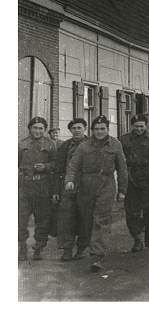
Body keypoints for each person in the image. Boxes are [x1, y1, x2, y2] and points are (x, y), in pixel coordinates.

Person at [65, 115, 128, 272]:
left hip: (106, 185)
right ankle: (86, 247)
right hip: (86, 186)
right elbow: (73, 165)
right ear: (92, 130)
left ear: (107, 129)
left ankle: (97, 256)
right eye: (96, 129)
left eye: (103, 129)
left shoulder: (115, 145)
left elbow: (122, 169)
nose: (99, 132)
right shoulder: (84, 146)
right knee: (86, 220)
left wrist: (122, 190)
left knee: (101, 220)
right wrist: (69, 180)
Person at [18, 117, 57, 261]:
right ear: (30, 128)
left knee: (42, 219)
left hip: (43, 186)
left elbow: (56, 164)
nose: (38, 131)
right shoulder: (21, 144)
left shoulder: (51, 144)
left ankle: (39, 247)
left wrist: (46, 167)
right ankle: (22, 247)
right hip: (25, 187)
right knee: (20, 219)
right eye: (35, 128)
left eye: (41, 128)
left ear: (45, 130)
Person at [120, 114, 149, 252]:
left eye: (141, 126)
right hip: (131, 179)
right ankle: (137, 238)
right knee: (132, 212)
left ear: (146, 126)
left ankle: (147, 230)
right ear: (132, 126)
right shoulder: (124, 139)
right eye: (136, 126)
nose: (139, 129)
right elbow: (121, 160)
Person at [53, 118, 88, 261]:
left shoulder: (92, 144)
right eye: (74, 128)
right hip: (67, 187)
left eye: (79, 127)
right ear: (70, 130)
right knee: (66, 219)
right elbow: (58, 169)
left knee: (85, 218)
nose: (77, 130)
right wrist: (56, 190)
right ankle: (67, 250)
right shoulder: (65, 146)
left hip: (86, 186)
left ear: (85, 128)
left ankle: (81, 249)